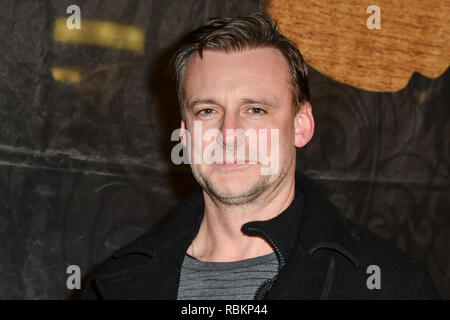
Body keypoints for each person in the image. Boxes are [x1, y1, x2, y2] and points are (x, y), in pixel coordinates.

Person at [80, 12, 439, 300]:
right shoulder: (112, 285)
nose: (228, 134)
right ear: (185, 134)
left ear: (301, 125)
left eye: (255, 110)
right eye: (207, 111)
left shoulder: (391, 285)